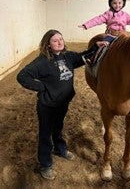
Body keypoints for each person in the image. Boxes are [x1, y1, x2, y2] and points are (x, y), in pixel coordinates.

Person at [16, 29, 108, 180]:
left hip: (63, 102)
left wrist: (95, 47)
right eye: (55, 40)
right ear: (48, 44)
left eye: (61, 39)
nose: (59, 42)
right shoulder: (41, 62)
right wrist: (42, 87)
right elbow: (22, 76)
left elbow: (82, 56)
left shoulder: (68, 57)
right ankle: (45, 164)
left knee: (58, 128)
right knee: (45, 134)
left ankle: (60, 149)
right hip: (47, 105)